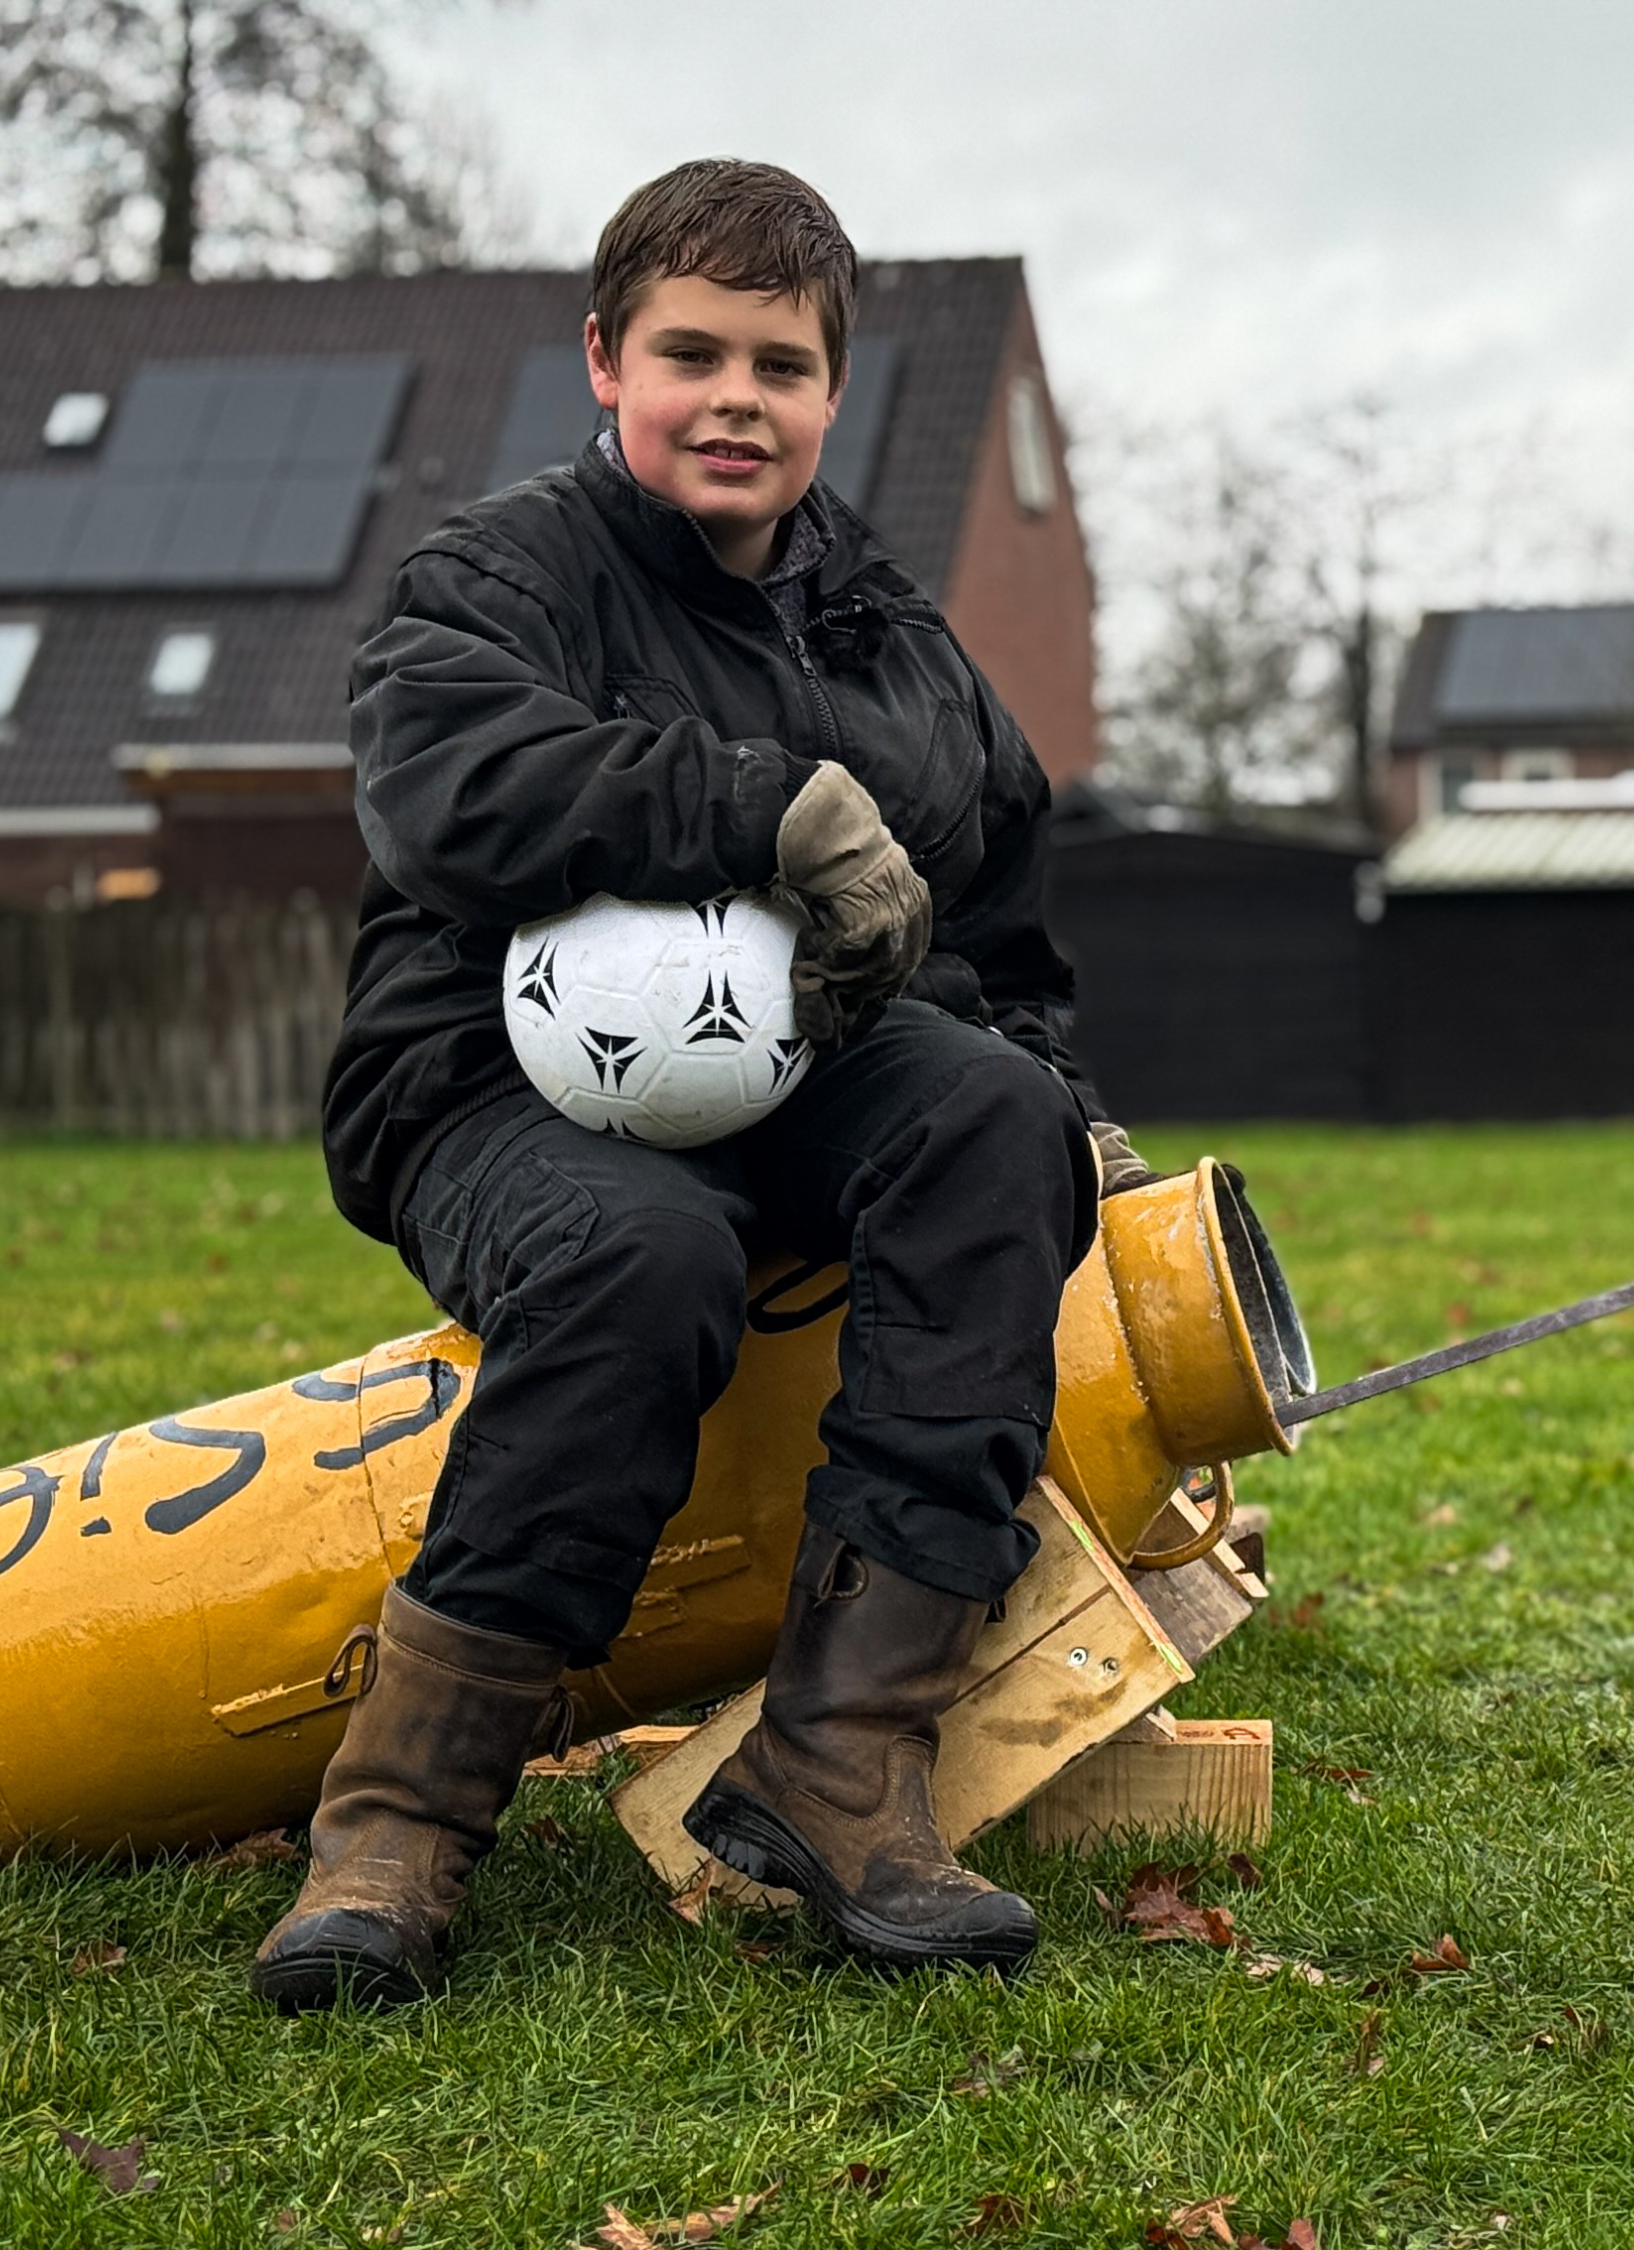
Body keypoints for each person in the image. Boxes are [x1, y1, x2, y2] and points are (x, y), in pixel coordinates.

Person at [255, 158, 1153, 2012]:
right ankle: (396, 1832)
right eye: (692, 352)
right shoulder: (492, 580)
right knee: (642, 1256)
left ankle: (840, 1762)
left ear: (834, 394)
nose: (736, 396)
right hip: (478, 1080)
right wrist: (760, 806)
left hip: (801, 1069)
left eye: (782, 363)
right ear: (605, 361)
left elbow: (997, 909)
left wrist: (1055, 1101)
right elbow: (453, 793)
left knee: (997, 1119)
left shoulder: (894, 638)